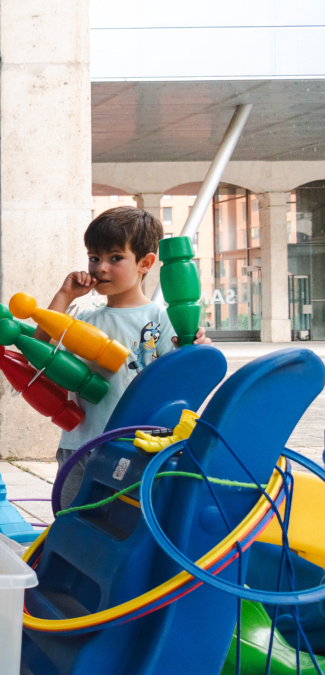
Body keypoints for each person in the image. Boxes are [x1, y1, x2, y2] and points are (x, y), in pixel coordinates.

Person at [35, 206, 210, 509]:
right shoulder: (83, 318)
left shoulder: (161, 318)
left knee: (122, 524)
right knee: (69, 521)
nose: (100, 267)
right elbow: (38, 351)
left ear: (145, 263)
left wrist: (195, 346)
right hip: (80, 444)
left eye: (115, 258)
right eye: (94, 257)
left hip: (137, 448)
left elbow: (183, 382)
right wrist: (64, 296)